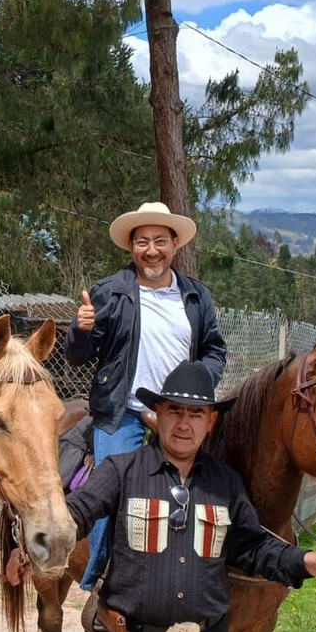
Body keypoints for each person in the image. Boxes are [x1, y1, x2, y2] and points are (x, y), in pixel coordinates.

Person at [66, 361, 316, 632]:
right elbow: (77, 512)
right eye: (175, 411)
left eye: (196, 414)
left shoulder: (226, 484)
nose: (184, 424)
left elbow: (252, 546)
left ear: (211, 422)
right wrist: (45, 533)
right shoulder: (121, 471)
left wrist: (304, 561)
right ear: (157, 415)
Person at [65, 201, 227, 590]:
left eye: (159, 241)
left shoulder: (196, 296)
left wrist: (197, 386)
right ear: (131, 247)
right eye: (142, 242)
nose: (151, 250)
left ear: (174, 245)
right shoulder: (110, 292)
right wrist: (81, 330)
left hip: (180, 412)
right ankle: (102, 580)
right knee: (110, 492)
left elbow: (214, 350)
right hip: (124, 410)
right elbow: (77, 357)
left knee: (214, 488)